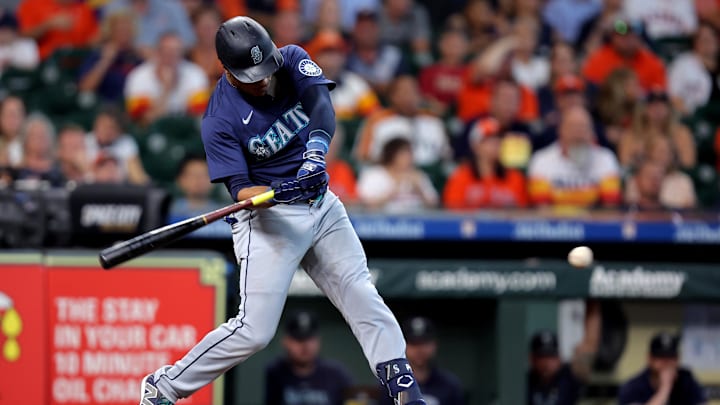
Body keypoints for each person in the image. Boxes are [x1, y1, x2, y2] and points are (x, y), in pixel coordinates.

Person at [138, 16, 427, 405]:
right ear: (227, 70)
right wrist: (281, 192)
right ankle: (165, 386)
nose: (261, 79)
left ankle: (403, 387)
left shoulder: (289, 58)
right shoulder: (219, 118)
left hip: (322, 205)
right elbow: (241, 190)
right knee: (254, 331)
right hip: (268, 219)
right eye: (250, 75)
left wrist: (314, 156)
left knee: (360, 291)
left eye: (264, 68)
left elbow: (322, 105)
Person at [528, 106, 621, 208]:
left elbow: (610, 207)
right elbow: (542, 208)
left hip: (594, 222)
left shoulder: (606, 158)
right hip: (557, 223)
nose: (578, 133)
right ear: (561, 131)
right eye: (572, 127)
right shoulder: (542, 160)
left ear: (592, 133)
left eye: (583, 127)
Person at [353, 75, 451, 169]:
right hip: (389, 176)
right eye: (405, 92)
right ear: (393, 97)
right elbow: (362, 157)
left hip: (427, 177)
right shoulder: (376, 121)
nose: (411, 97)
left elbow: (446, 157)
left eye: (414, 91)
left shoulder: (434, 122)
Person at [265, 310, 354, 405]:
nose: (305, 345)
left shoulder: (336, 374)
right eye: (299, 339)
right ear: (286, 341)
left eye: (310, 339)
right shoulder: (276, 372)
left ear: (318, 340)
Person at [124, 31, 209, 125]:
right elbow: (144, 122)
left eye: (176, 52)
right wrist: (166, 90)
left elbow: (199, 118)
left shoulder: (195, 74)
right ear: (157, 53)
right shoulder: (138, 77)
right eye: (167, 52)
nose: (172, 57)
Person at [443, 117, 528, 209]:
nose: (496, 144)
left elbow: (522, 215)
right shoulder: (460, 177)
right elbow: (452, 214)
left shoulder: (515, 178)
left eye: (499, 139)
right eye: (489, 140)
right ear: (475, 145)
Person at [379, 316, 466, 405]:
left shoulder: (449, 385)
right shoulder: (391, 385)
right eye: (413, 343)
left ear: (434, 345)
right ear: (403, 346)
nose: (419, 350)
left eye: (424, 343)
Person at [528, 300, 601, 405]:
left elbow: (590, 345)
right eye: (542, 356)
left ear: (559, 358)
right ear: (532, 359)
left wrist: (593, 298)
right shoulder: (526, 381)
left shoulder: (569, 378)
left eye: (551, 356)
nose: (547, 362)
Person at [305, 29, 381, 121]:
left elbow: (375, 114)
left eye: (337, 53)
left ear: (343, 57)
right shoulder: (302, 84)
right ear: (314, 56)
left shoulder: (354, 82)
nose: (332, 58)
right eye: (326, 53)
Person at [617, 87, 696, 172]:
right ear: (642, 108)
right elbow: (625, 166)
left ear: (669, 108)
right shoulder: (630, 135)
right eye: (652, 103)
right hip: (641, 180)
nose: (658, 107)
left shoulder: (681, 133)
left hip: (673, 179)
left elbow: (688, 164)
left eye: (663, 103)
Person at [618, 332, 707, 405]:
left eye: (671, 357)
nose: (666, 362)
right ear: (650, 359)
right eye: (661, 357)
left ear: (677, 359)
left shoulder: (687, 382)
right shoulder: (633, 387)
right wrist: (665, 388)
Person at [582, 16, 666, 91]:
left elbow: (659, 93)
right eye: (622, 34)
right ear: (613, 37)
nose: (628, 38)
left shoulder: (652, 63)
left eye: (633, 34)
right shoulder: (598, 60)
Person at [357, 137, 439, 212]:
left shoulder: (418, 176)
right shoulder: (374, 174)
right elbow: (365, 204)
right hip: (382, 223)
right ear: (392, 155)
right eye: (403, 154)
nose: (409, 158)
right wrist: (392, 192)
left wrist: (420, 191)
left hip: (416, 221)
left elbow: (434, 205)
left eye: (410, 154)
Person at [77, 10, 142, 103]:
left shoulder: (138, 57)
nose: (124, 34)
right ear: (110, 32)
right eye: (120, 30)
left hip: (134, 105)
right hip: (104, 106)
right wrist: (105, 61)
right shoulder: (98, 54)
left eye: (127, 30)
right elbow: (84, 88)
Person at [346, 10, 409, 96]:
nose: (366, 32)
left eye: (370, 28)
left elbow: (404, 82)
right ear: (354, 31)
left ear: (377, 29)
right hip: (357, 102)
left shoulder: (393, 54)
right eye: (362, 28)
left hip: (391, 102)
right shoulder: (346, 57)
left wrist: (388, 87)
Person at [104, 0, 195, 59]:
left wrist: (162, 54)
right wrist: (137, 49)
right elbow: (105, 41)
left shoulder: (172, 7)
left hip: (169, 64)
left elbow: (189, 41)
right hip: (124, 64)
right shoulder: (113, 7)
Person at [16, 0, 98, 60]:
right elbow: (21, 36)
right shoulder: (32, 4)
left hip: (77, 62)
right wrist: (48, 25)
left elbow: (91, 41)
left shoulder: (83, 9)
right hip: (43, 62)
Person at [85, 107, 148, 185]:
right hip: (90, 189)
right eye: (102, 125)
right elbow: (81, 175)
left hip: (119, 190)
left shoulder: (126, 143)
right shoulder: (85, 141)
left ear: (120, 131)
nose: (105, 130)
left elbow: (138, 177)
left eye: (111, 127)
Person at [667, 23, 720, 116]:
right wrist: (690, 118)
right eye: (703, 39)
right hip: (694, 117)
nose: (708, 43)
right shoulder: (682, 64)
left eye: (711, 38)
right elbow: (673, 97)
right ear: (695, 43)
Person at [418, 29, 469, 117]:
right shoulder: (429, 71)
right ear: (441, 45)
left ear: (465, 48)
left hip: (464, 116)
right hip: (432, 115)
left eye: (457, 45)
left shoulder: (471, 72)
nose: (453, 48)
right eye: (450, 44)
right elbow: (423, 98)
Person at [188, 6, 224, 90]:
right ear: (194, 28)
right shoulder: (187, 56)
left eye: (212, 27)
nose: (208, 32)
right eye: (204, 27)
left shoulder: (230, 57)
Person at [0, 9, 38, 74]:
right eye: (2, 31)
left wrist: (11, 64)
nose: (4, 35)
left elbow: (32, 66)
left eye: (7, 31)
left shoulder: (26, 44)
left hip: (23, 80)